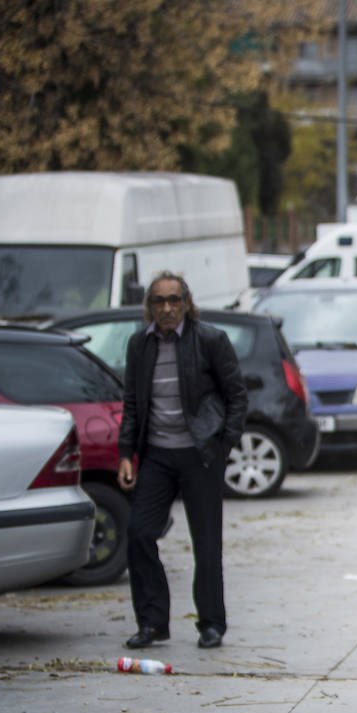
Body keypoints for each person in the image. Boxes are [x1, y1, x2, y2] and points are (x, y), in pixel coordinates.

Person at [118, 270, 247, 651]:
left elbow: (236, 396)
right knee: (139, 534)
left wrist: (224, 447)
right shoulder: (139, 345)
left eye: (175, 300)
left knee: (206, 544)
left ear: (187, 304)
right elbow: (131, 404)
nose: (168, 308)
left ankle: (210, 624)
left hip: (201, 455)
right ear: (150, 307)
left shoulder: (210, 340)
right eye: (159, 301)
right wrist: (126, 453)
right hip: (156, 455)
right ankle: (153, 623)